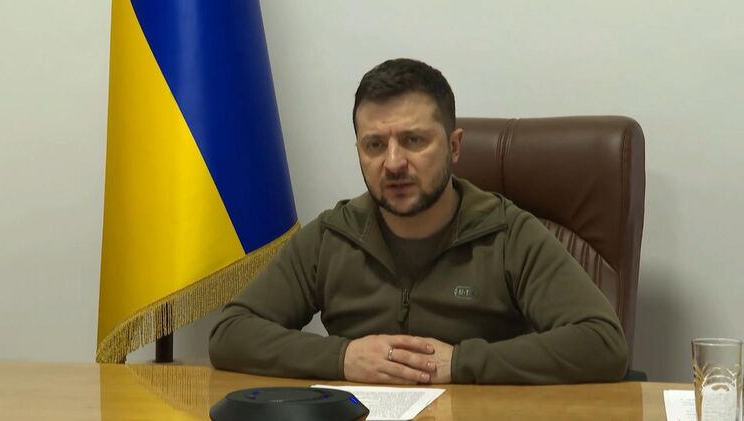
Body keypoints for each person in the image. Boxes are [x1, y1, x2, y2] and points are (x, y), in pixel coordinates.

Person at [209, 58, 628, 384]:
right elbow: (231, 333)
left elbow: (602, 342)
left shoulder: (507, 232)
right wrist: (342, 357)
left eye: (414, 140)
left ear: (454, 147)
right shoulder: (333, 235)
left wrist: (461, 362)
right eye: (375, 145)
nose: (393, 163)